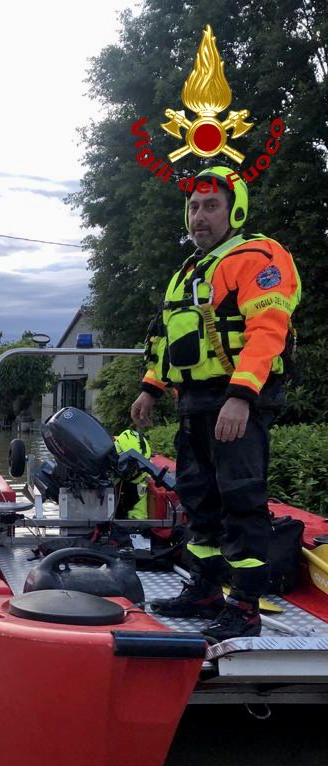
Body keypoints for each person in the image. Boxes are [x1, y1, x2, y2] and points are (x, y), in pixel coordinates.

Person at [130, 165, 301, 642]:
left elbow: (268, 332)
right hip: (196, 401)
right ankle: (204, 589)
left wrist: (241, 396)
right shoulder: (188, 272)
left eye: (211, 206)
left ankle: (244, 605)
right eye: (193, 207)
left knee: (240, 499)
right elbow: (165, 339)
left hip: (239, 398)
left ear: (234, 210)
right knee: (197, 496)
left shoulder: (259, 256)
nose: (199, 216)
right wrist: (151, 387)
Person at [114, 427, 152, 519]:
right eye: (133, 466)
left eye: (139, 466)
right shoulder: (108, 464)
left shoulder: (142, 479)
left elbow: (140, 513)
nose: (135, 471)